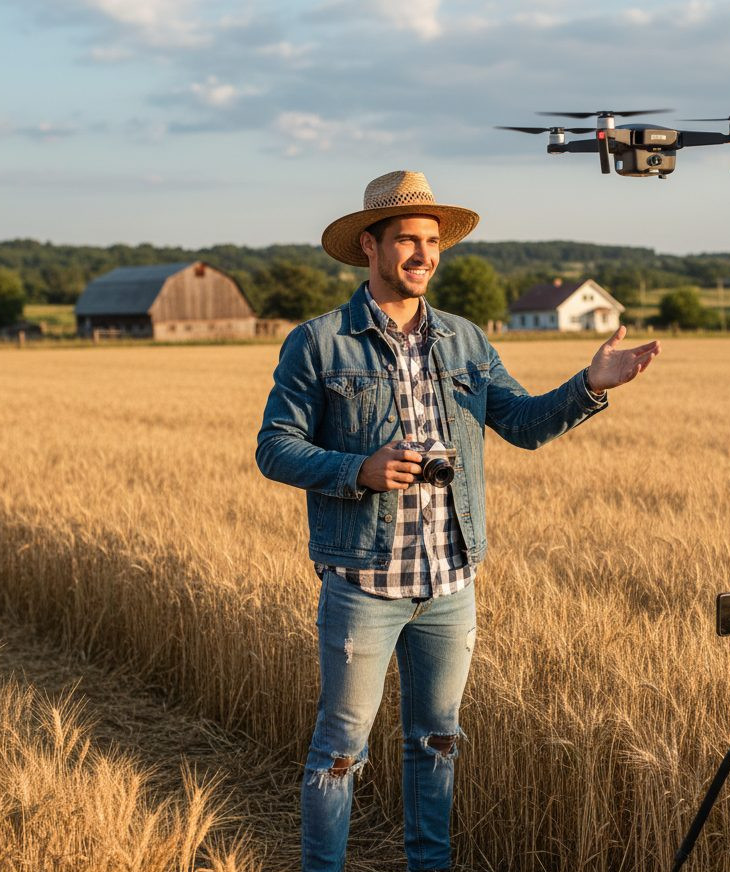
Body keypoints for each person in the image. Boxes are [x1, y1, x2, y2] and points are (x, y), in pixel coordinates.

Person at [255, 170, 660, 872]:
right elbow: (275, 447)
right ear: (370, 246)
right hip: (363, 584)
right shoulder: (320, 343)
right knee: (341, 750)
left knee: (437, 741)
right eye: (407, 240)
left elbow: (524, 424)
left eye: (433, 241)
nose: (424, 254)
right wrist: (360, 469)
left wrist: (591, 385)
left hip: (449, 584)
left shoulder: (466, 343)